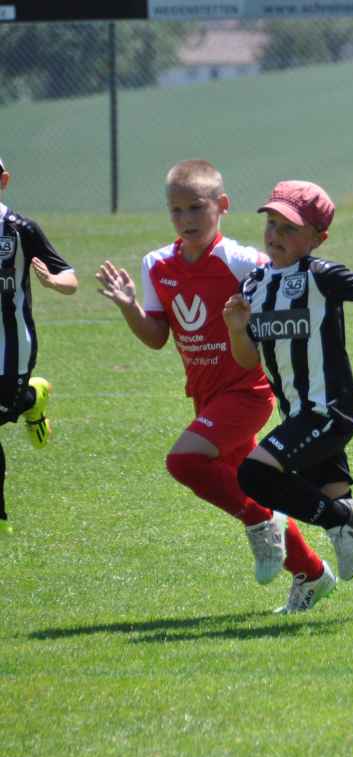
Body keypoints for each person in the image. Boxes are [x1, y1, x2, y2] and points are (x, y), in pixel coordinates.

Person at [94, 160, 335, 613]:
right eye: (176, 210)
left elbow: (287, 296)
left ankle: (260, 523)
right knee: (254, 484)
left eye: (196, 208)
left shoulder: (243, 262)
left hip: (248, 393)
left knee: (183, 461)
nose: (186, 219)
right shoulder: (156, 265)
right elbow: (156, 337)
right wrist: (129, 306)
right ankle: (313, 574)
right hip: (206, 398)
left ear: (222, 206)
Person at [223, 179, 353, 621]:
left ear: (318, 238)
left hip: (329, 411)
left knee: (254, 474)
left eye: (290, 228)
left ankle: (339, 522)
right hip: (298, 415)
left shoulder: (320, 276)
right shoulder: (255, 285)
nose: (276, 234)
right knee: (337, 498)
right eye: (272, 223)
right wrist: (237, 329)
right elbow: (247, 360)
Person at [0, 155, 79, 536]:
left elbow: (71, 279)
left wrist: (51, 282)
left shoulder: (20, 229)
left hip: (11, 346)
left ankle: (31, 397)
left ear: (4, 180)